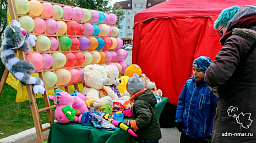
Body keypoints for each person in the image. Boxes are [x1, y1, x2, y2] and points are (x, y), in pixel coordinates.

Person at [205, 5, 256, 142]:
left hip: (233, 123)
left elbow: (214, 76)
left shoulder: (237, 40)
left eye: (221, 31)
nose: (221, 36)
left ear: (233, 23)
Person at [175, 56, 218, 143]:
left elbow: (215, 111)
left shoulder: (211, 89)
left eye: (198, 71)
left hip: (202, 135)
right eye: (193, 69)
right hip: (186, 131)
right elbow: (181, 102)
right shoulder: (188, 84)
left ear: (206, 71)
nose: (194, 73)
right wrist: (179, 119)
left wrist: (211, 131)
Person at [123, 73, 162, 143]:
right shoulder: (145, 97)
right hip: (152, 134)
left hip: (147, 136)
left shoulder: (139, 102)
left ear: (132, 92)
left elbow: (145, 117)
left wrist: (132, 123)